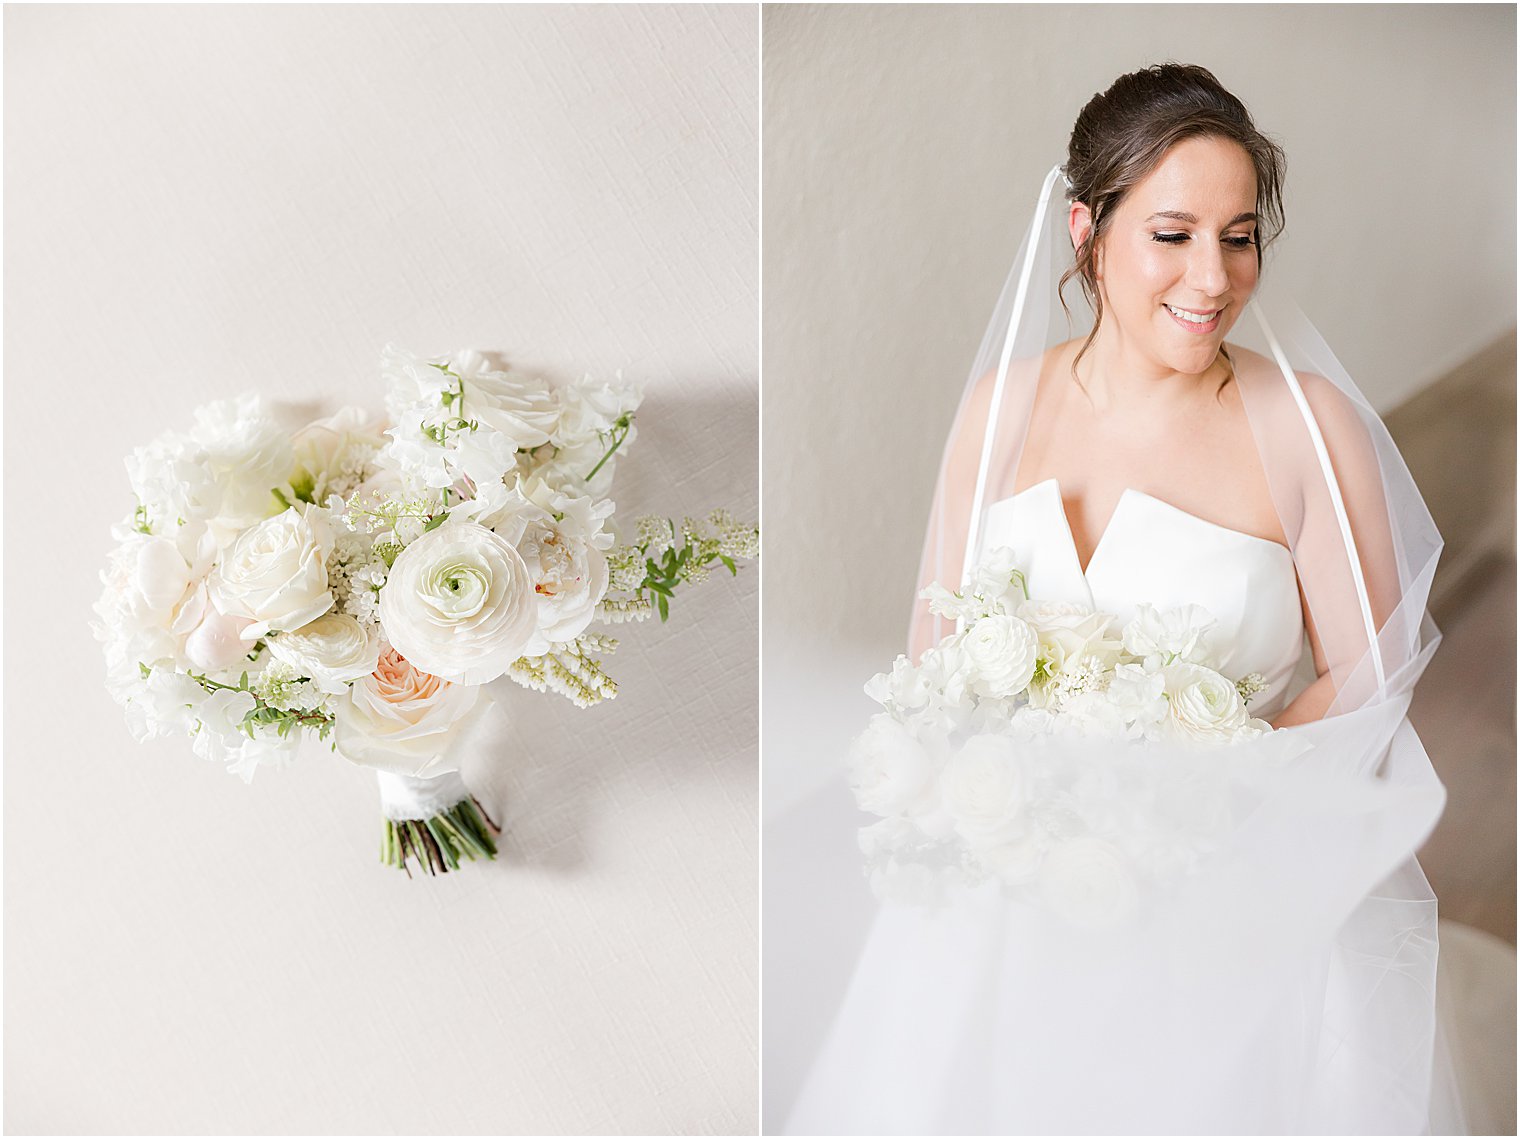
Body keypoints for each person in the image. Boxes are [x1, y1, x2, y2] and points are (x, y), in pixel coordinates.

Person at [786, 63, 1463, 1135]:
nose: (1212, 277)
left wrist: (1212, 794)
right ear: (1083, 230)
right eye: (1172, 233)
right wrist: (973, 802)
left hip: (1215, 885)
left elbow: (1372, 663)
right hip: (999, 891)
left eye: (1237, 236)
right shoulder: (999, 408)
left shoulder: (1302, 423)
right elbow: (931, 652)